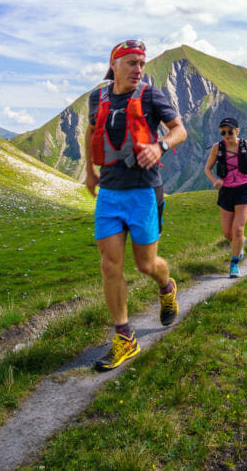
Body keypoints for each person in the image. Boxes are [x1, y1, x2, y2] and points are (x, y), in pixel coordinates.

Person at [84, 39, 187, 372]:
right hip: (110, 194)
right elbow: (90, 132)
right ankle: (125, 338)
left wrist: (160, 147)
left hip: (144, 191)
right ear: (114, 65)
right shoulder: (96, 98)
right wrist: (89, 171)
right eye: (131, 63)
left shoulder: (151, 95)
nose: (138, 69)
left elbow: (179, 130)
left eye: (141, 64)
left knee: (146, 264)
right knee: (110, 265)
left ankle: (167, 286)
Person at [204, 117, 247, 277]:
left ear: (237, 131)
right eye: (223, 132)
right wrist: (215, 181)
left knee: (238, 229)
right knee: (227, 233)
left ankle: (234, 263)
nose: (226, 135)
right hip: (226, 191)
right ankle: (240, 243)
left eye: (230, 131)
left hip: (244, 189)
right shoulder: (216, 148)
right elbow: (208, 168)